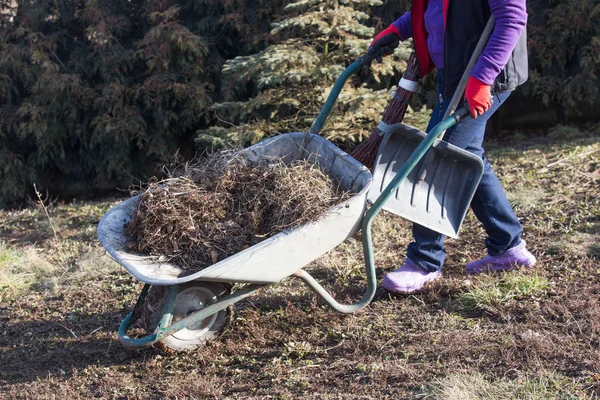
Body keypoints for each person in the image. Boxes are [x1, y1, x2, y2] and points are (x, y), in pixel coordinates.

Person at [369, 0, 536, 294]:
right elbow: (436, 10)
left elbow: (512, 18)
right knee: (468, 156)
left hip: (483, 74)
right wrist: (400, 28)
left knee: (436, 160)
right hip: (458, 71)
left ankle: (424, 262)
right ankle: (508, 246)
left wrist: (483, 77)